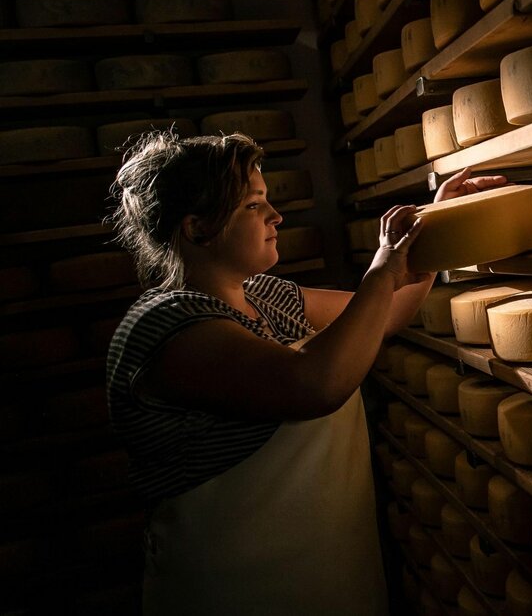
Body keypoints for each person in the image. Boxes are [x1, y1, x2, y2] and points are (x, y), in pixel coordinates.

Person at [104, 130, 504, 615]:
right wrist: (381, 271)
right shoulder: (168, 326)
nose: (275, 216)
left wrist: (436, 224)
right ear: (197, 228)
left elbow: (384, 314)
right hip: (233, 588)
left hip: (330, 565)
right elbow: (314, 384)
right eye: (253, 206)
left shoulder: (265, 296)